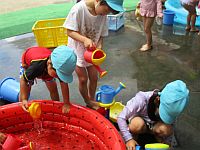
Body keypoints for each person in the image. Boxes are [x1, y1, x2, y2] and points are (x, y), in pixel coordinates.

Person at [63, 0, 124, 109]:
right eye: (106, 10)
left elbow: (101, 34)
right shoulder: (78, 9)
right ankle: (87, 100)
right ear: (98, 1)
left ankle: (91, 99)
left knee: (94, 78)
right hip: (77, 50)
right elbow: (69, 31)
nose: (106, 14)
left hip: (92, 52)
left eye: (109, 12)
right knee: (83, 79)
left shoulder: (103, 14)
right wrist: (84, 39)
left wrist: (99, 46)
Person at [117, 80, 189, 150]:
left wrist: (168, 144)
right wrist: (128, 139)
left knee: (167, 129)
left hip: (154, 125)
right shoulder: (140, 100)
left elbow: (171, 124)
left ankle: (156, 135)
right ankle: (134, 135)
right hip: (139, 121)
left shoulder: (174, 106)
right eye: (164, 112)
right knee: (136, 125)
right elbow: (121, 117)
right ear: (158, 100)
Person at [19, 45, 77, 113]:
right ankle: (22, 108)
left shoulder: (58, 67)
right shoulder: (36, 67)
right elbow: (23, 80)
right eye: (58, 74)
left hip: (45, 66)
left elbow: (63, 83)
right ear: (49, 64)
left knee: (53, 88)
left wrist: (66, 103)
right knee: (26, 88)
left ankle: (56, 107)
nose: (60, 77)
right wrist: (24, 99)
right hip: (28, 63)